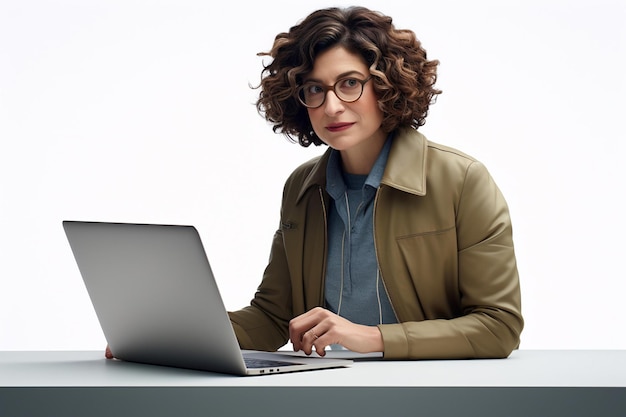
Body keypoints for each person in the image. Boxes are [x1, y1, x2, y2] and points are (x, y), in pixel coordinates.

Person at [105, 6, 523, 361]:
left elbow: (499, 326)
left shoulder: (461, 180)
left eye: (349, 83)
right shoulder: (303, 186)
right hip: (323, 385)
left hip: (425, 388)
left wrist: (371, 338)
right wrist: (169, 335)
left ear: (386, 83)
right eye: (314, 89)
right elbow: (272, 318)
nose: (332, 105)